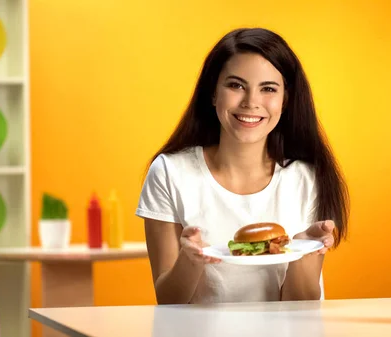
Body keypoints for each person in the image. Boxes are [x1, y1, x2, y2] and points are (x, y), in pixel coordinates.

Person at [135, 27, 350, 305]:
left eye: (268, 89)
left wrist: (305, 251)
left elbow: (301, 307)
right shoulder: (169, 172)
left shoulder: (306, 178)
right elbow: (168, 300)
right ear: (213, 93)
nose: (251, 102)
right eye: (236, 85)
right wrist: (190, 260)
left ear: (285, 101)